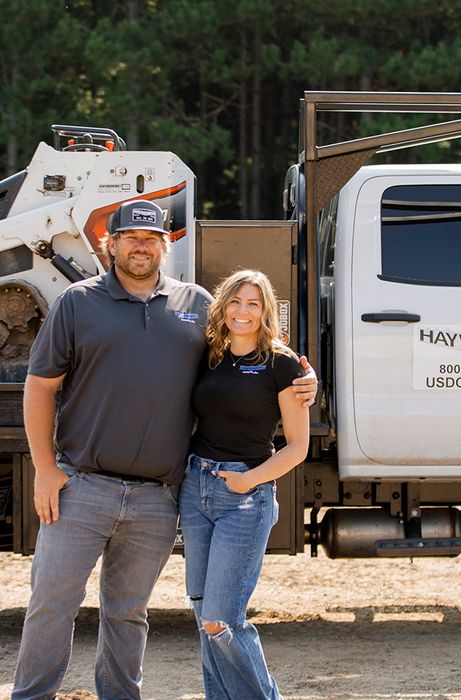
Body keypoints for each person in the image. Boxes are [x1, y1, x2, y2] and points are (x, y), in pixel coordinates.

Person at [12, 201, 314, 700]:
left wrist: (306, 383)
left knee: (128, 613)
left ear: (165, 246)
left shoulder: (195, 305)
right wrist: (45, 468)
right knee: (51, 604)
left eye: (151, 238)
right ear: (110, 244)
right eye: (130, 237)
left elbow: (249, 353)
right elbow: (40, 387)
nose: (141, 246)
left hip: (159, 498)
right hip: (82, 487)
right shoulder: (78, 302)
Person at [181, 269, 310, 700]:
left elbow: (296, 448)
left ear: (265, 310)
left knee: (222, 619)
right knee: (204, 616)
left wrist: (247, 481)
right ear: (223, 306)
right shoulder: (209, 355)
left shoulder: (282, 363)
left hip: (245, 497)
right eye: (235, 301)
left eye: (253, 303)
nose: (243, 311)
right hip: (196, 488)